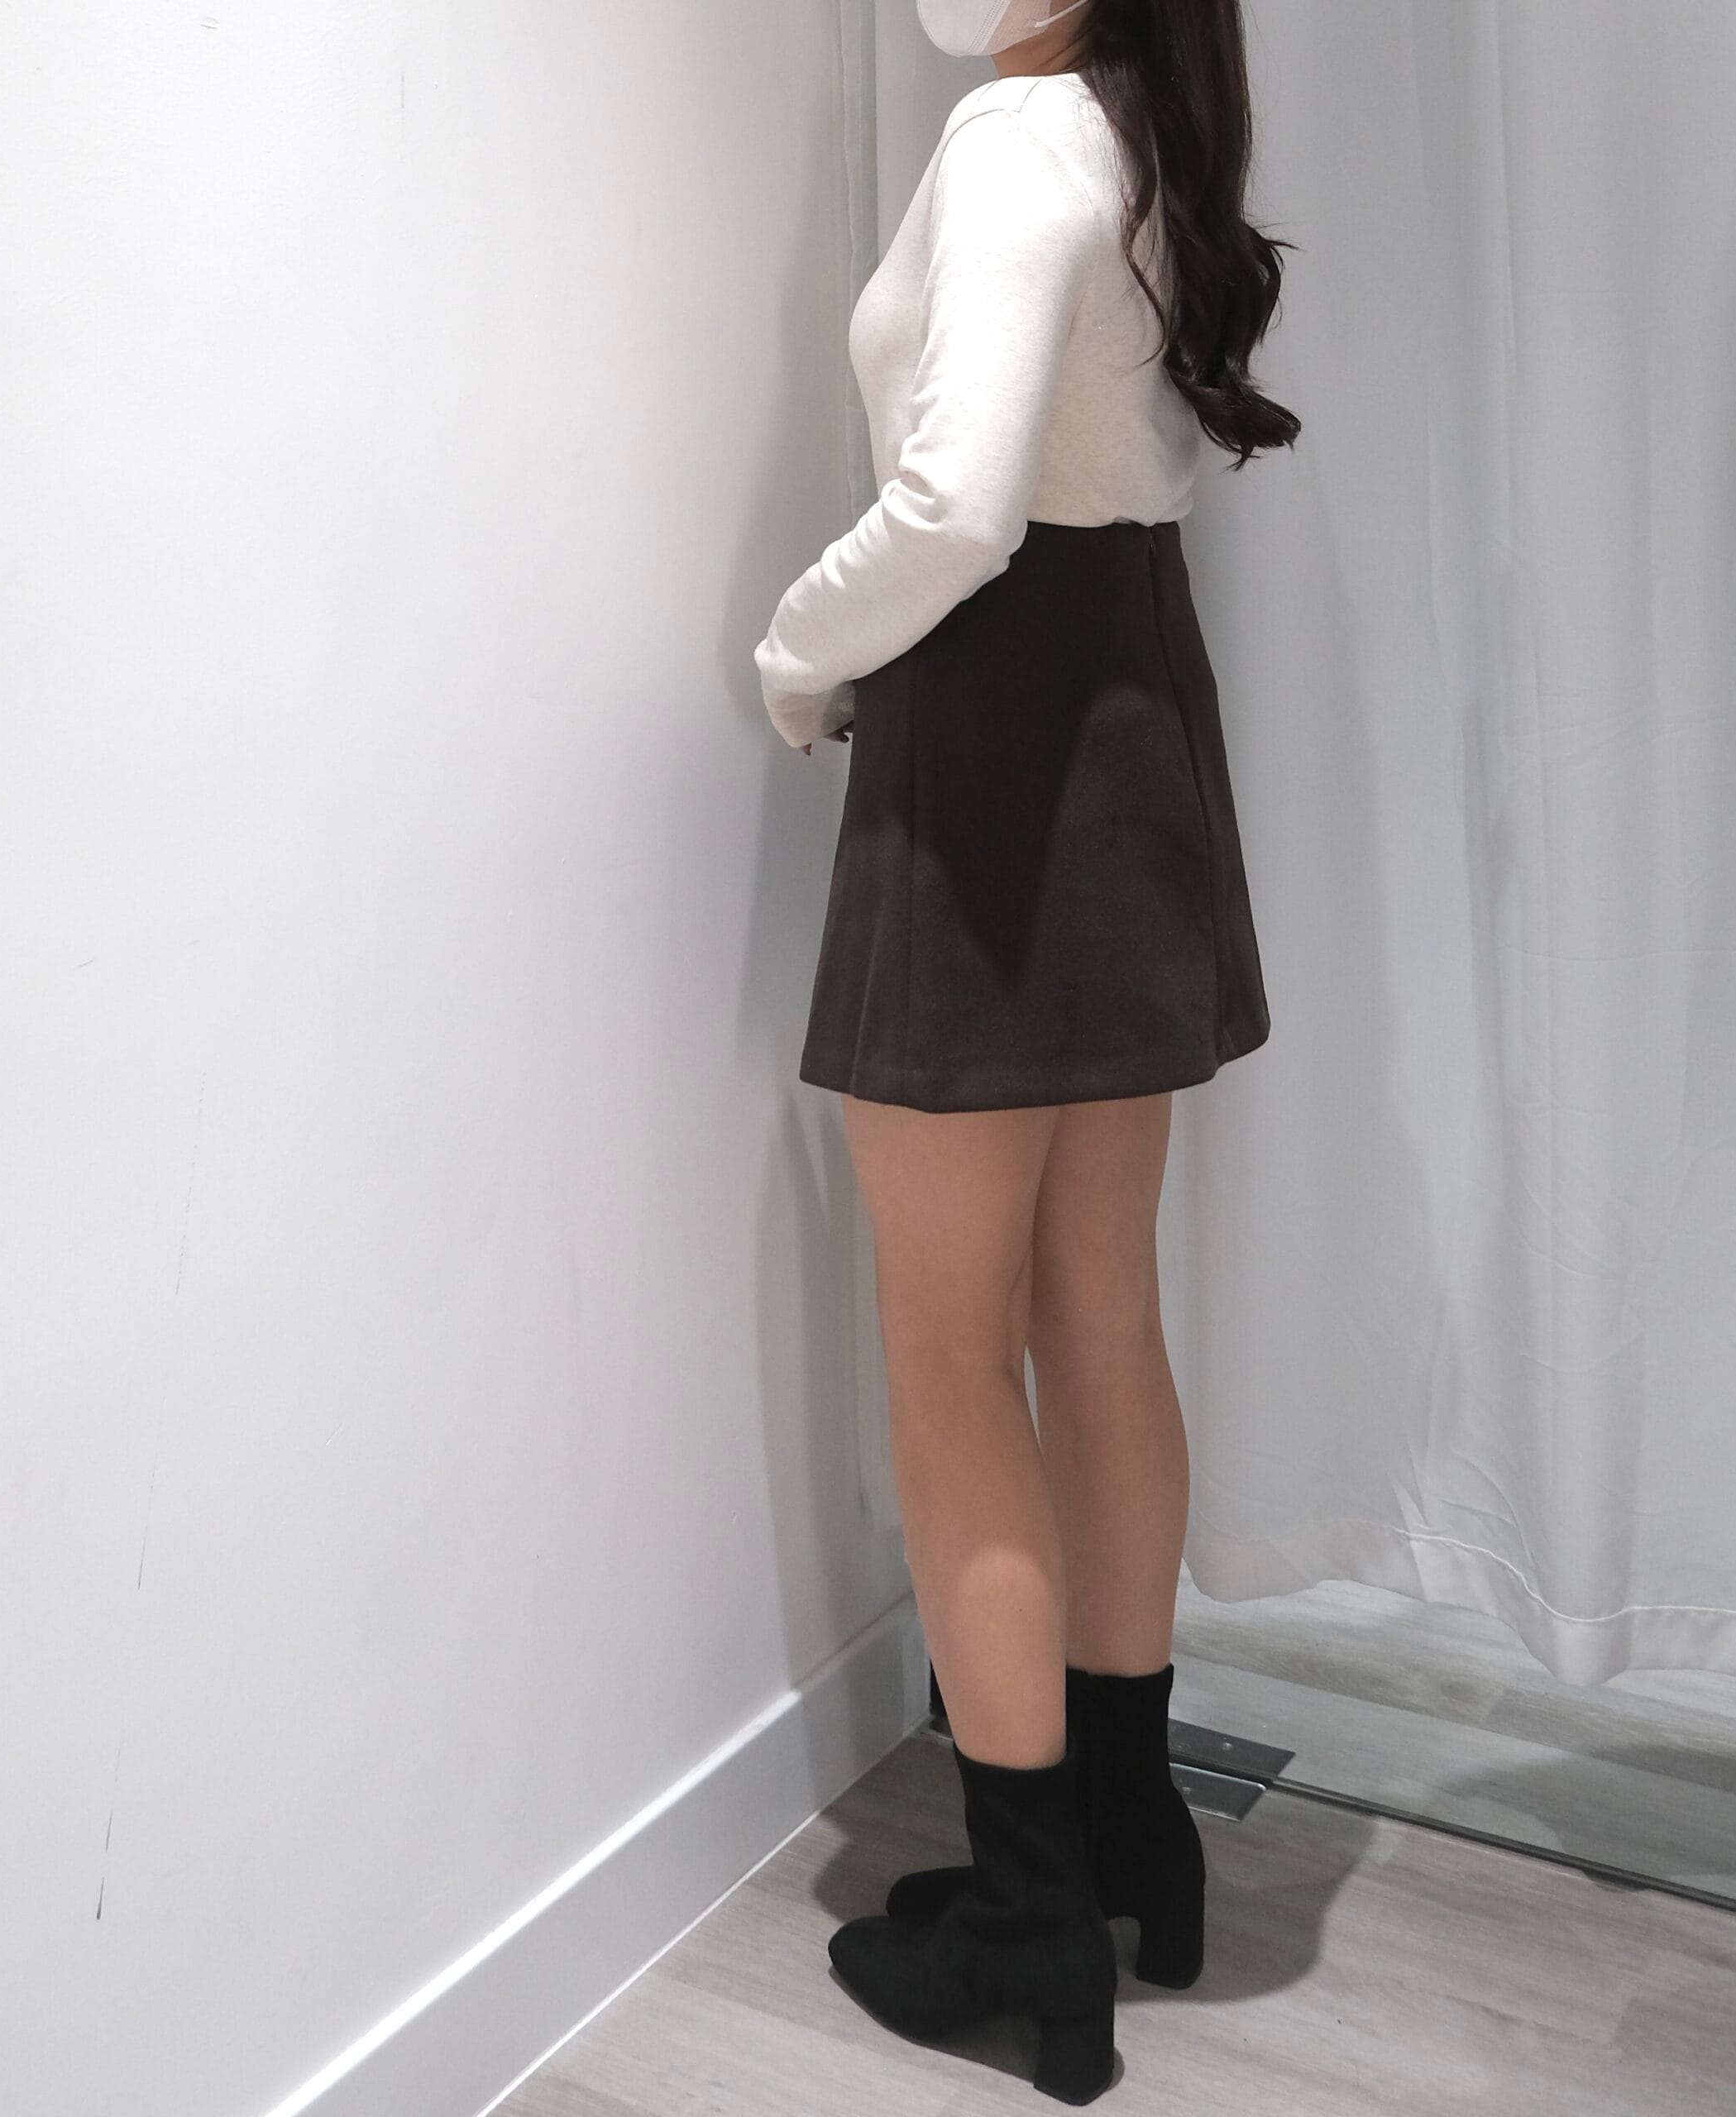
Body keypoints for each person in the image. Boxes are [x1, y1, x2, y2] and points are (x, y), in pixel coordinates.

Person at [753, 0, 1299, 2099]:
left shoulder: (1010, 142)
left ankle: (1025, 1918)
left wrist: (792, 656)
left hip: (990, 734)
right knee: (1096, 1313)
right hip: (1131, 711)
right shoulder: (1148, 125)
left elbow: (954, 506)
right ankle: (1131, 1830)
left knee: (946, 1352)